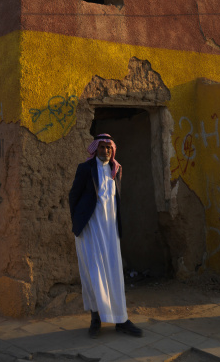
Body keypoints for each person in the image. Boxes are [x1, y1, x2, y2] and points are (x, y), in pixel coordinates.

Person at [69, 133, 143, 338]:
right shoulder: (85, 169)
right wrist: (78, 223)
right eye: (101, 147)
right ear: (95, 149)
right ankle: (96, 318)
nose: (105, 151)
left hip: (110, 232)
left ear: (113, 150)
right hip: (90, 231)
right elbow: (73, 196)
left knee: (114, 274)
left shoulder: (116, 170)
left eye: (108, 148)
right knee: (93, 274)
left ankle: (121, 319)